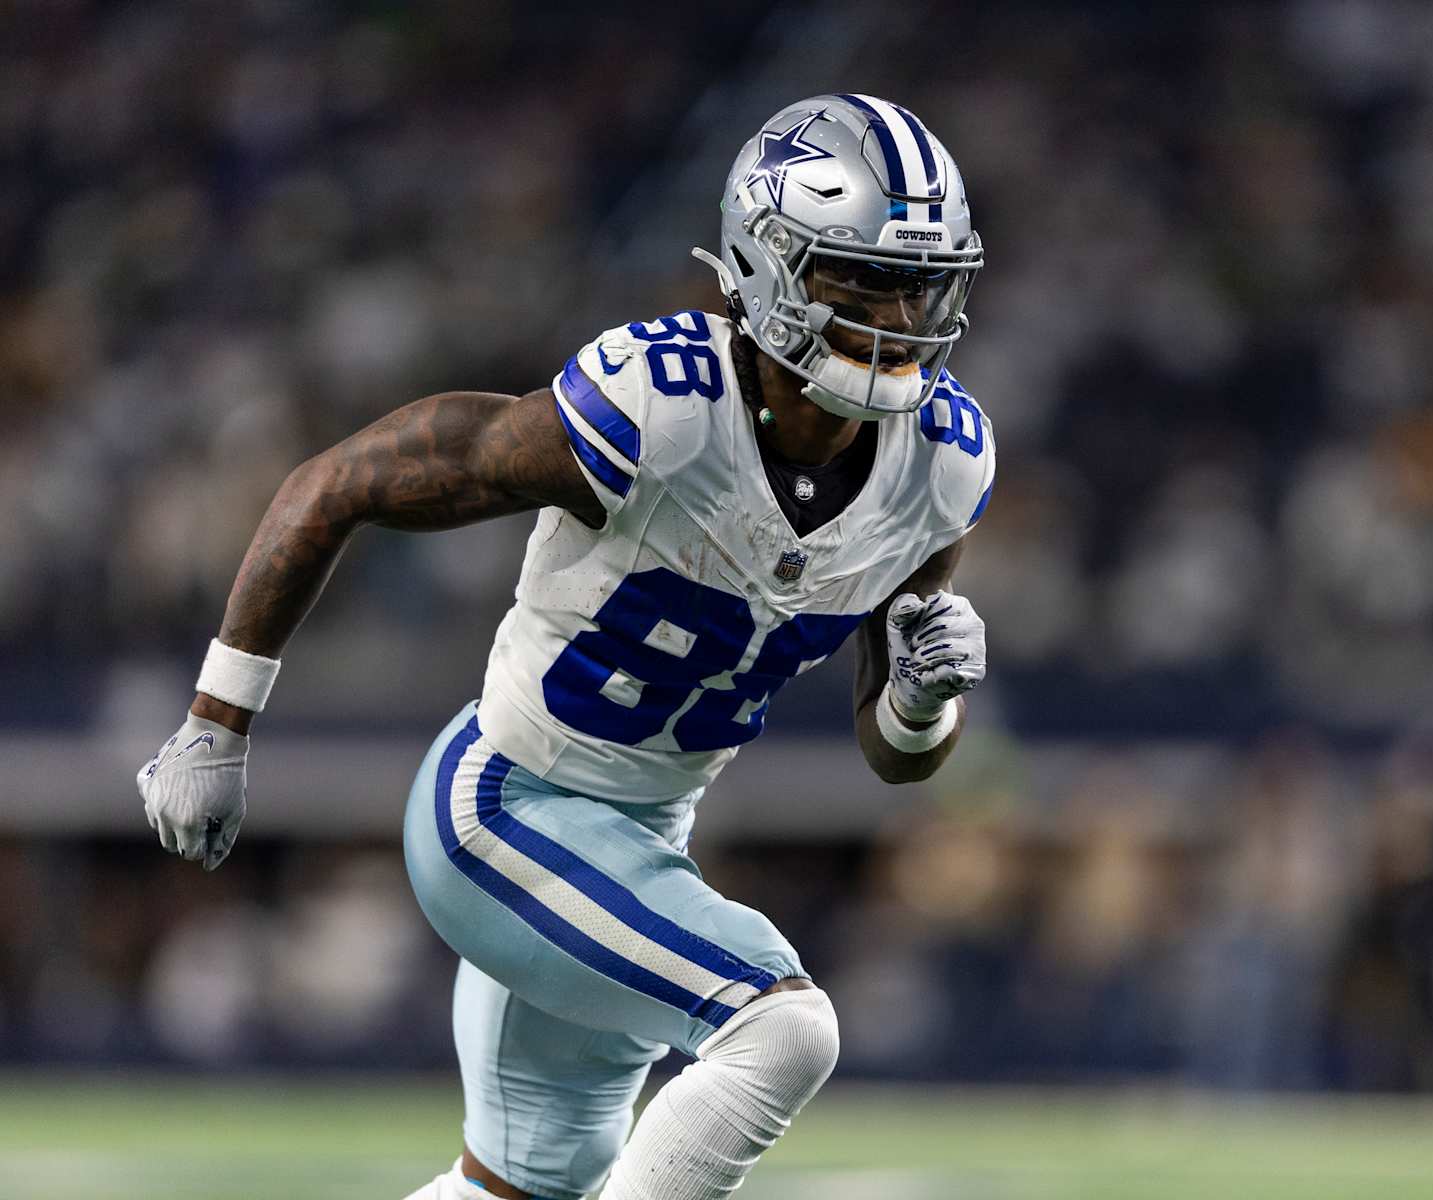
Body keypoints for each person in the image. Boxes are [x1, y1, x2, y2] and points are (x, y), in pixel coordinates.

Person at [133, 93, 995, 1200]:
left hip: (638, 844)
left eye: (921, 281)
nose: (900, 313)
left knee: (523, 1188)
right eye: (863, 276)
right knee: (784, 1032)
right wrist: (216, 720)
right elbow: (336, 484)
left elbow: (896, 752)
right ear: (769, 264)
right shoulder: (662, 405)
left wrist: (926, 702)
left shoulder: (941, 465)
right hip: (507, 810)